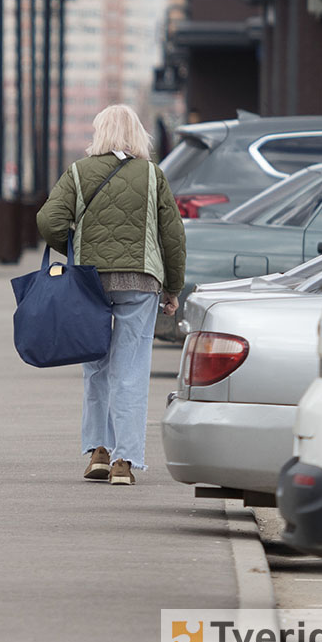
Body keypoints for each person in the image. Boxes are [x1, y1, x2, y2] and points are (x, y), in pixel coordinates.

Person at [35, 104, 186, 486]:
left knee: (96, 368)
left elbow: (48, 220)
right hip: (140, 281)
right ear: (139, 135)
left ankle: (98, 452)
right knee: (131, 371)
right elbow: (173, 237)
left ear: (99, 133)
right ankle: (125, 462)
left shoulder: (79, 172)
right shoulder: (153, 176)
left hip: (90, 281)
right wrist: (173, 288)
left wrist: (71, 246)